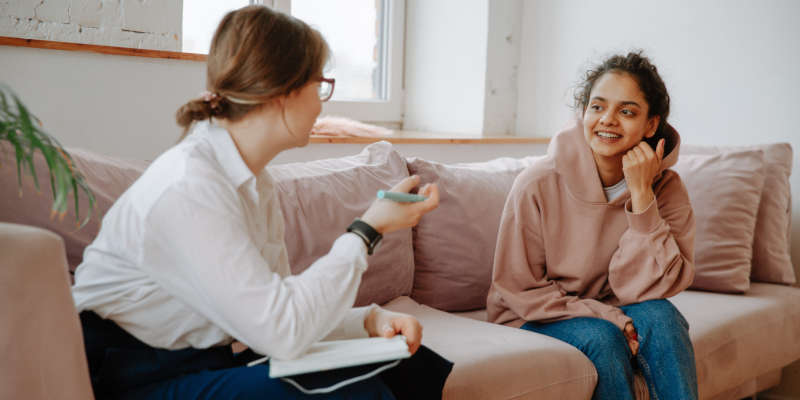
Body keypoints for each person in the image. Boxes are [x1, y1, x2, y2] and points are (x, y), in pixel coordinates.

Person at [71, 5, 450, 399]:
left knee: (407, 362)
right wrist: (367, 230)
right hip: (134, 377)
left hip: (206, 361)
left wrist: (368, 322)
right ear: (282, 92)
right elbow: (282, 332)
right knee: (351, 392)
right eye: (319, 86)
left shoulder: (254, 183)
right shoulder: (190, 187)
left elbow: (277, 310)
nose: (322, 104)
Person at [486, 51, 698, 400]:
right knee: (603, 337)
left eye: (627, 111)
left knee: (662, 316)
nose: (608, 120)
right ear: (583, 112)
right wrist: (607, 316)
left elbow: (658, 287)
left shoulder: (667, 188)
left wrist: (642, 196)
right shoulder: (536, 183)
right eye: (597, 107)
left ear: (650, 125)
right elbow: (519, 288)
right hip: (532, 315)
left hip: (614, 306)